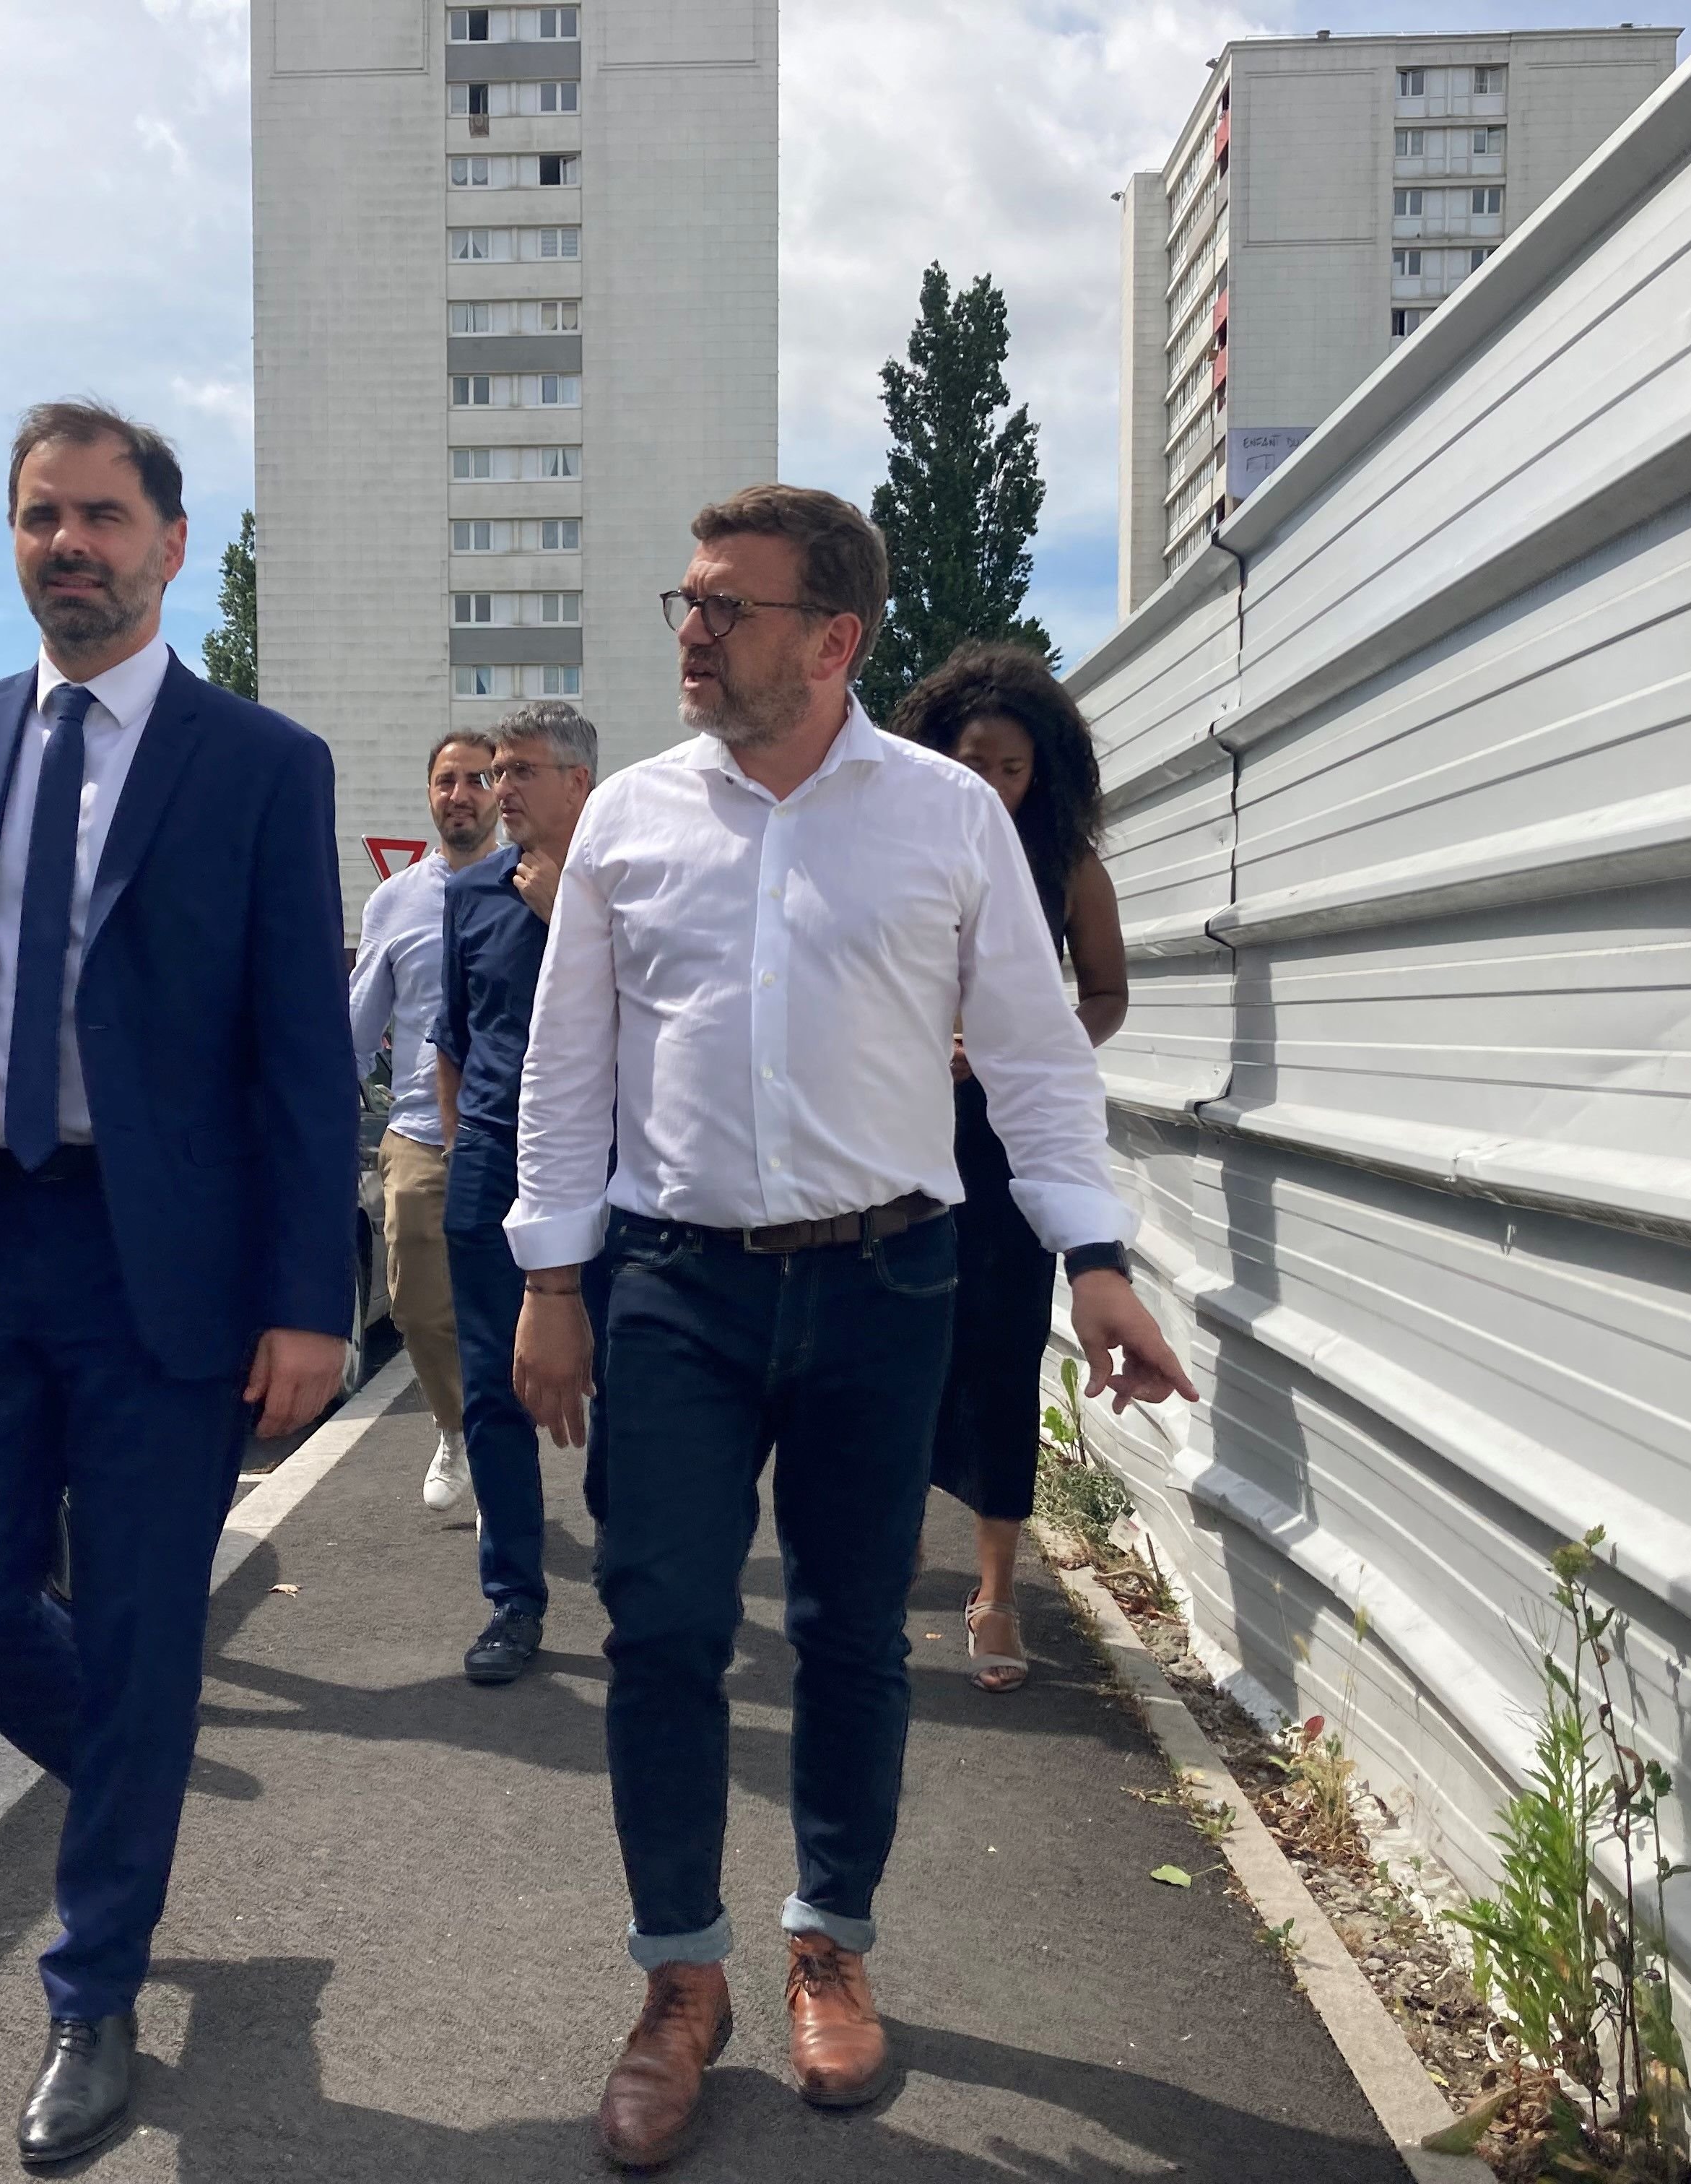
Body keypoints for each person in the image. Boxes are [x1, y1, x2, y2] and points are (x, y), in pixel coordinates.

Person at [506, 486, 1196, 2171]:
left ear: (834, 638)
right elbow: (569, 1060)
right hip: (674, 1282)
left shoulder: (949, 818)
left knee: (847, 1632)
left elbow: (1035, 1054)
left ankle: (830, 1935)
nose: (690, 630)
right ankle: (681, 1977)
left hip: (892, 1279)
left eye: (725, 606)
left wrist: (1093, 1252)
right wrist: (548, 1277)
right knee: (663, 1626)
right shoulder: (631, 824)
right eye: (683, 599)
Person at [0, 402, 356, 2168]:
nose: (70, 545)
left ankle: (91, 1985)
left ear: (171, 544)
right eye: (41, 516)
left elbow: (296, 1056)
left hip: (164, 1271)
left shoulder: (259, 767)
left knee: (136, 1626)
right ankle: (137, 1779)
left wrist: (309, 1299)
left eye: (103, 517)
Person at [889, 644, 1132, 1694]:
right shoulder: (894, 849)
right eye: (971, 758)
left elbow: (1107, 994)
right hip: (893, 1134)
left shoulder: (1066, 863)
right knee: (893, 1345)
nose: (989, 782)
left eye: (1012, 767)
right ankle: (891, 1540)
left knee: (998, 1355)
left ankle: (994, 1589)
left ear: (1044, 773)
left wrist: (1024, 1045)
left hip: (1005, 1144)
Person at [432, 701, 601, 1686]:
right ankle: (513, 1600)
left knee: (628, 1377)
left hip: (611, 1160)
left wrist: (564, 914)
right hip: (493, 1160)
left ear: (579, 782)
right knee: (495, 1390)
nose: (499, 792)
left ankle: (636, 1575)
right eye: (495, 771)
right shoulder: (471, 893)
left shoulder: (624, 885)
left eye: (520, 771)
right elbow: (454, 1037)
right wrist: (462, 1149)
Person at [347, 730, 502, 1509]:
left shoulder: (541, 887)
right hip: (419, 1132)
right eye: (447, 780)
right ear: (430, 794)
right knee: (417, 1305)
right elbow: (357, 1022)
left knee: (530, 1312)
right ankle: (457, 1428)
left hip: (520, 1135)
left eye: (478, 779)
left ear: (503, 791)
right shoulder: (396, 901)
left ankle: (509, 1473)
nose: (461, 794)